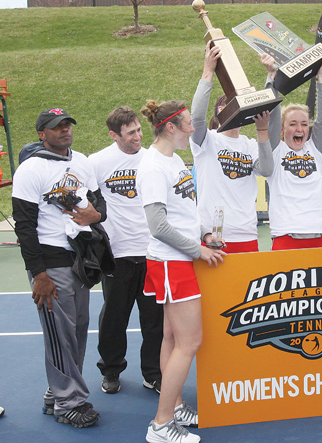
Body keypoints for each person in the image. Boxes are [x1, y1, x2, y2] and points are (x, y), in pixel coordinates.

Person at [138, 99, 226, 443]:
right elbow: (158, 225)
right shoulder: (154, 168)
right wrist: (198, 250)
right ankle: (160, 425)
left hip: (175, 260)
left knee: (173, 338)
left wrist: (203, 233)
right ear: (171, 127)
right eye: (188, 123)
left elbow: (183, 211)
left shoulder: (172, 160)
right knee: (190, 342)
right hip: (172, 262)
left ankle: (173, 407)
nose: (194, 128)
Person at [12, 108, 104, 428]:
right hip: (49, 262)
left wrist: (95, 215)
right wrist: (38, 274)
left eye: (67, 125)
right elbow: (24, 226)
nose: (64, 131)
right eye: (56, 127)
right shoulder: (31, 169)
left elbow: (98, 206)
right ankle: (69, 403)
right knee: (59, 335)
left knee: (76, 331)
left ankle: (58, 392)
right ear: (42, 134)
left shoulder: (81, 162)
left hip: (78, 258)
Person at [88, 106, 163, 395]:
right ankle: (111, 370)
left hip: (151, 252)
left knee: (154, 320)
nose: (138, 136)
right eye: (130, 132)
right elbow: (88, 202)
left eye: (139, 130)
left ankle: (153, 373)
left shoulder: (152, 159)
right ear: (114, 134)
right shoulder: (97, 163)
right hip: (116, 255)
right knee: (114, 319)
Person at [190, 42, 273, 253]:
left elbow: (266, 170)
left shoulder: (250, 144)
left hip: (246, 233)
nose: (233, 108)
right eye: (227, 104)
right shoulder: (206, 140)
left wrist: (262, 130)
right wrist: (208, 70)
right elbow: (197, 118)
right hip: (212, 235)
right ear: (219, 112)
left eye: (236, 102)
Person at [262, 51, 322, 250]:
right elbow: (272, 115)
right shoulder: (276, 150)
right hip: (287, 234)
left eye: (303, 124)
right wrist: (271, 78)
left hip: (321, 232)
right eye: (293, 124)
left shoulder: (315, 149)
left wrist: (321, 77)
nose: (299, 129)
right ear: (283, 130)